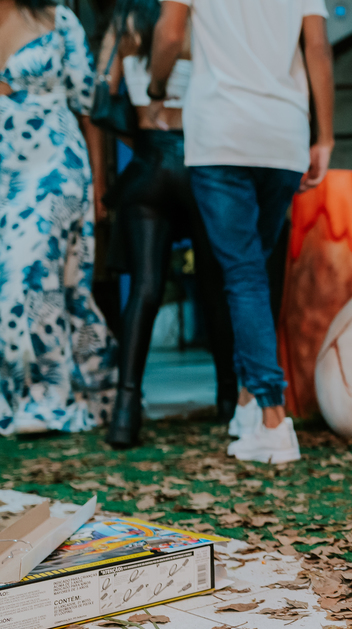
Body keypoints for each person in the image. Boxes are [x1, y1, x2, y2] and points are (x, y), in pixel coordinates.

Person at [147, 0, 334, 463]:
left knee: (244, 274)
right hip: (283, 138)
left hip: (222, 135)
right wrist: (325, 136)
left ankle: (273, 421)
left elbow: (170, 35)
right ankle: (247, 406)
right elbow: (317, 48)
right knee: (252, 270)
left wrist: (155, 88)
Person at [99, 0, 237, 448]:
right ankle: (229, 403)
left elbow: (102, 96)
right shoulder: (193, 21)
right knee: (214, 284)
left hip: (146, 163)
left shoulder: (124, 25)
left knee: (145, 288)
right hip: (197, 157)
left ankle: (125, 413)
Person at [0, 0, 117, 436]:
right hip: (3, 169)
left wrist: (100, 182)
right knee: (62, 291)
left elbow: (88, 107)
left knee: (26, 277)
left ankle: (46, 398)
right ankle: (99, 379)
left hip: (54, 163)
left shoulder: (57, 18)